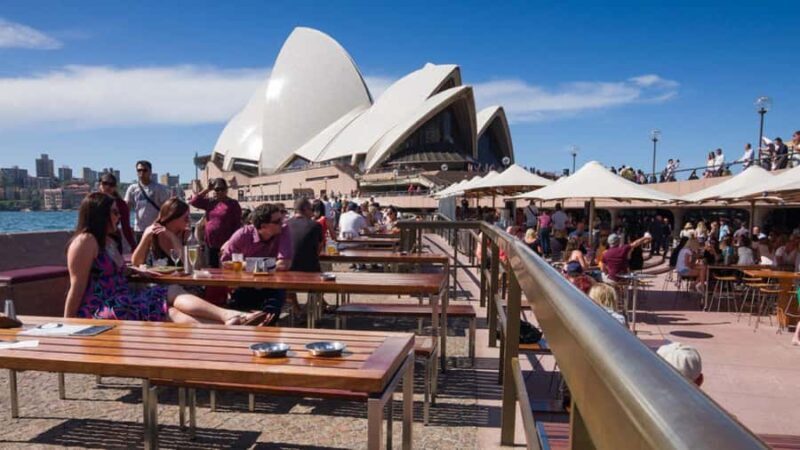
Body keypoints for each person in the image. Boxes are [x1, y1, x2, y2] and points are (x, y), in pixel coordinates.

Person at [64, 193, 264, 325]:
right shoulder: (85, 241)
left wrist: (133, 270)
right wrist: (68, 323)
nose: (119, 217)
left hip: (124, 299)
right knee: (168, 302)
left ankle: (229, 323)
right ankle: (229, 320)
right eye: (115, 212)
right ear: (100, 215)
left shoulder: (107, 241)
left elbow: (115, 271)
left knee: (171, 305)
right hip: (104, 307)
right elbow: (76, 286)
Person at [221, 203, 293, 324]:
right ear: (264, 226)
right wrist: (271, 265)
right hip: (246, 284)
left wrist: (245, 265)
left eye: (281, 219)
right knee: (237, 318)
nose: (282, 223)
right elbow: (226, 263)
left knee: (269, 317)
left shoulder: (283, 230)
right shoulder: (242, 235)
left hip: (272, 285)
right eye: (277, 221)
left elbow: (284, 265)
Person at [189, 178, 242, 267]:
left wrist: (233, 241)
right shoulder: (210, 202)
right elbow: (193, 201)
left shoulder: (233, 204)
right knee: (211, 268)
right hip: (210, 242)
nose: (220, 191)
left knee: (225, 267)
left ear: (226, 189)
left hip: (226, 242)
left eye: (222, 189)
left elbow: (237, 224)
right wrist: (207, 189)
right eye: (217, 189)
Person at [131, 198, 190, 266]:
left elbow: (190, 264)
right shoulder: (153, 233)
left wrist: (173, 238)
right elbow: (136, 262)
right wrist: (146, 238)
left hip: (181, 273)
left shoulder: (186, 234)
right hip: (156, 272)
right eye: (186, 218)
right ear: (172, 218)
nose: (189, 220)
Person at [124, 160, 170, 243]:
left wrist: (157, 222)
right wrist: (128, 226)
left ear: (150, 172)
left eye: (145, 170)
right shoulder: (132, 188)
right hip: (139, 229)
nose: (142, 173)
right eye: (139, 170)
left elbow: (166, 209)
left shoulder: (159, 188)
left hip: (155, 228)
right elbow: (126, 207)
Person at [98, 173, 136, 253]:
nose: (108, 187)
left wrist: (134, 247)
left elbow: (126, 228)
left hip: (113, 238)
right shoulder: (92, 202)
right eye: (105, 183)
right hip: (95, 237)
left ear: (115, 187)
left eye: (111, 184)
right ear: (99, 184)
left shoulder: (121, 204)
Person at [287, 198, 324, 272]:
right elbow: (319, 248)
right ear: (306, 209)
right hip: (311, 270)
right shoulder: (315, 225)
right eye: (311, 209)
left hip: (289, 269)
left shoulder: (285, 225)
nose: (312, 212)